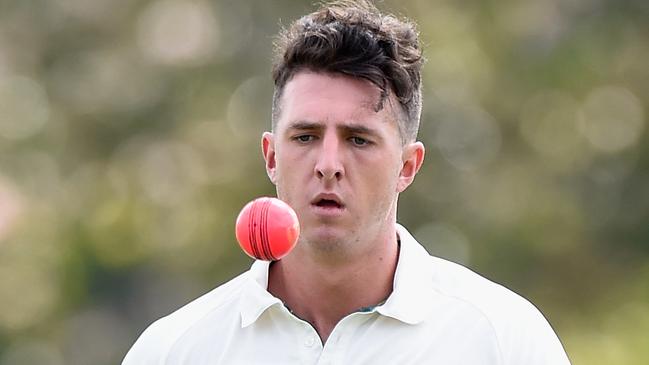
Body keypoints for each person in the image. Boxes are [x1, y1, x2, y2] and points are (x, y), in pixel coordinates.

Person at [123, 1, 571, 363]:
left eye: (359, 139)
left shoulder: (504, 340)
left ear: (407, 167)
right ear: (272, 156)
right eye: (305, 136)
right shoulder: (173, 349)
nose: (328, 164)